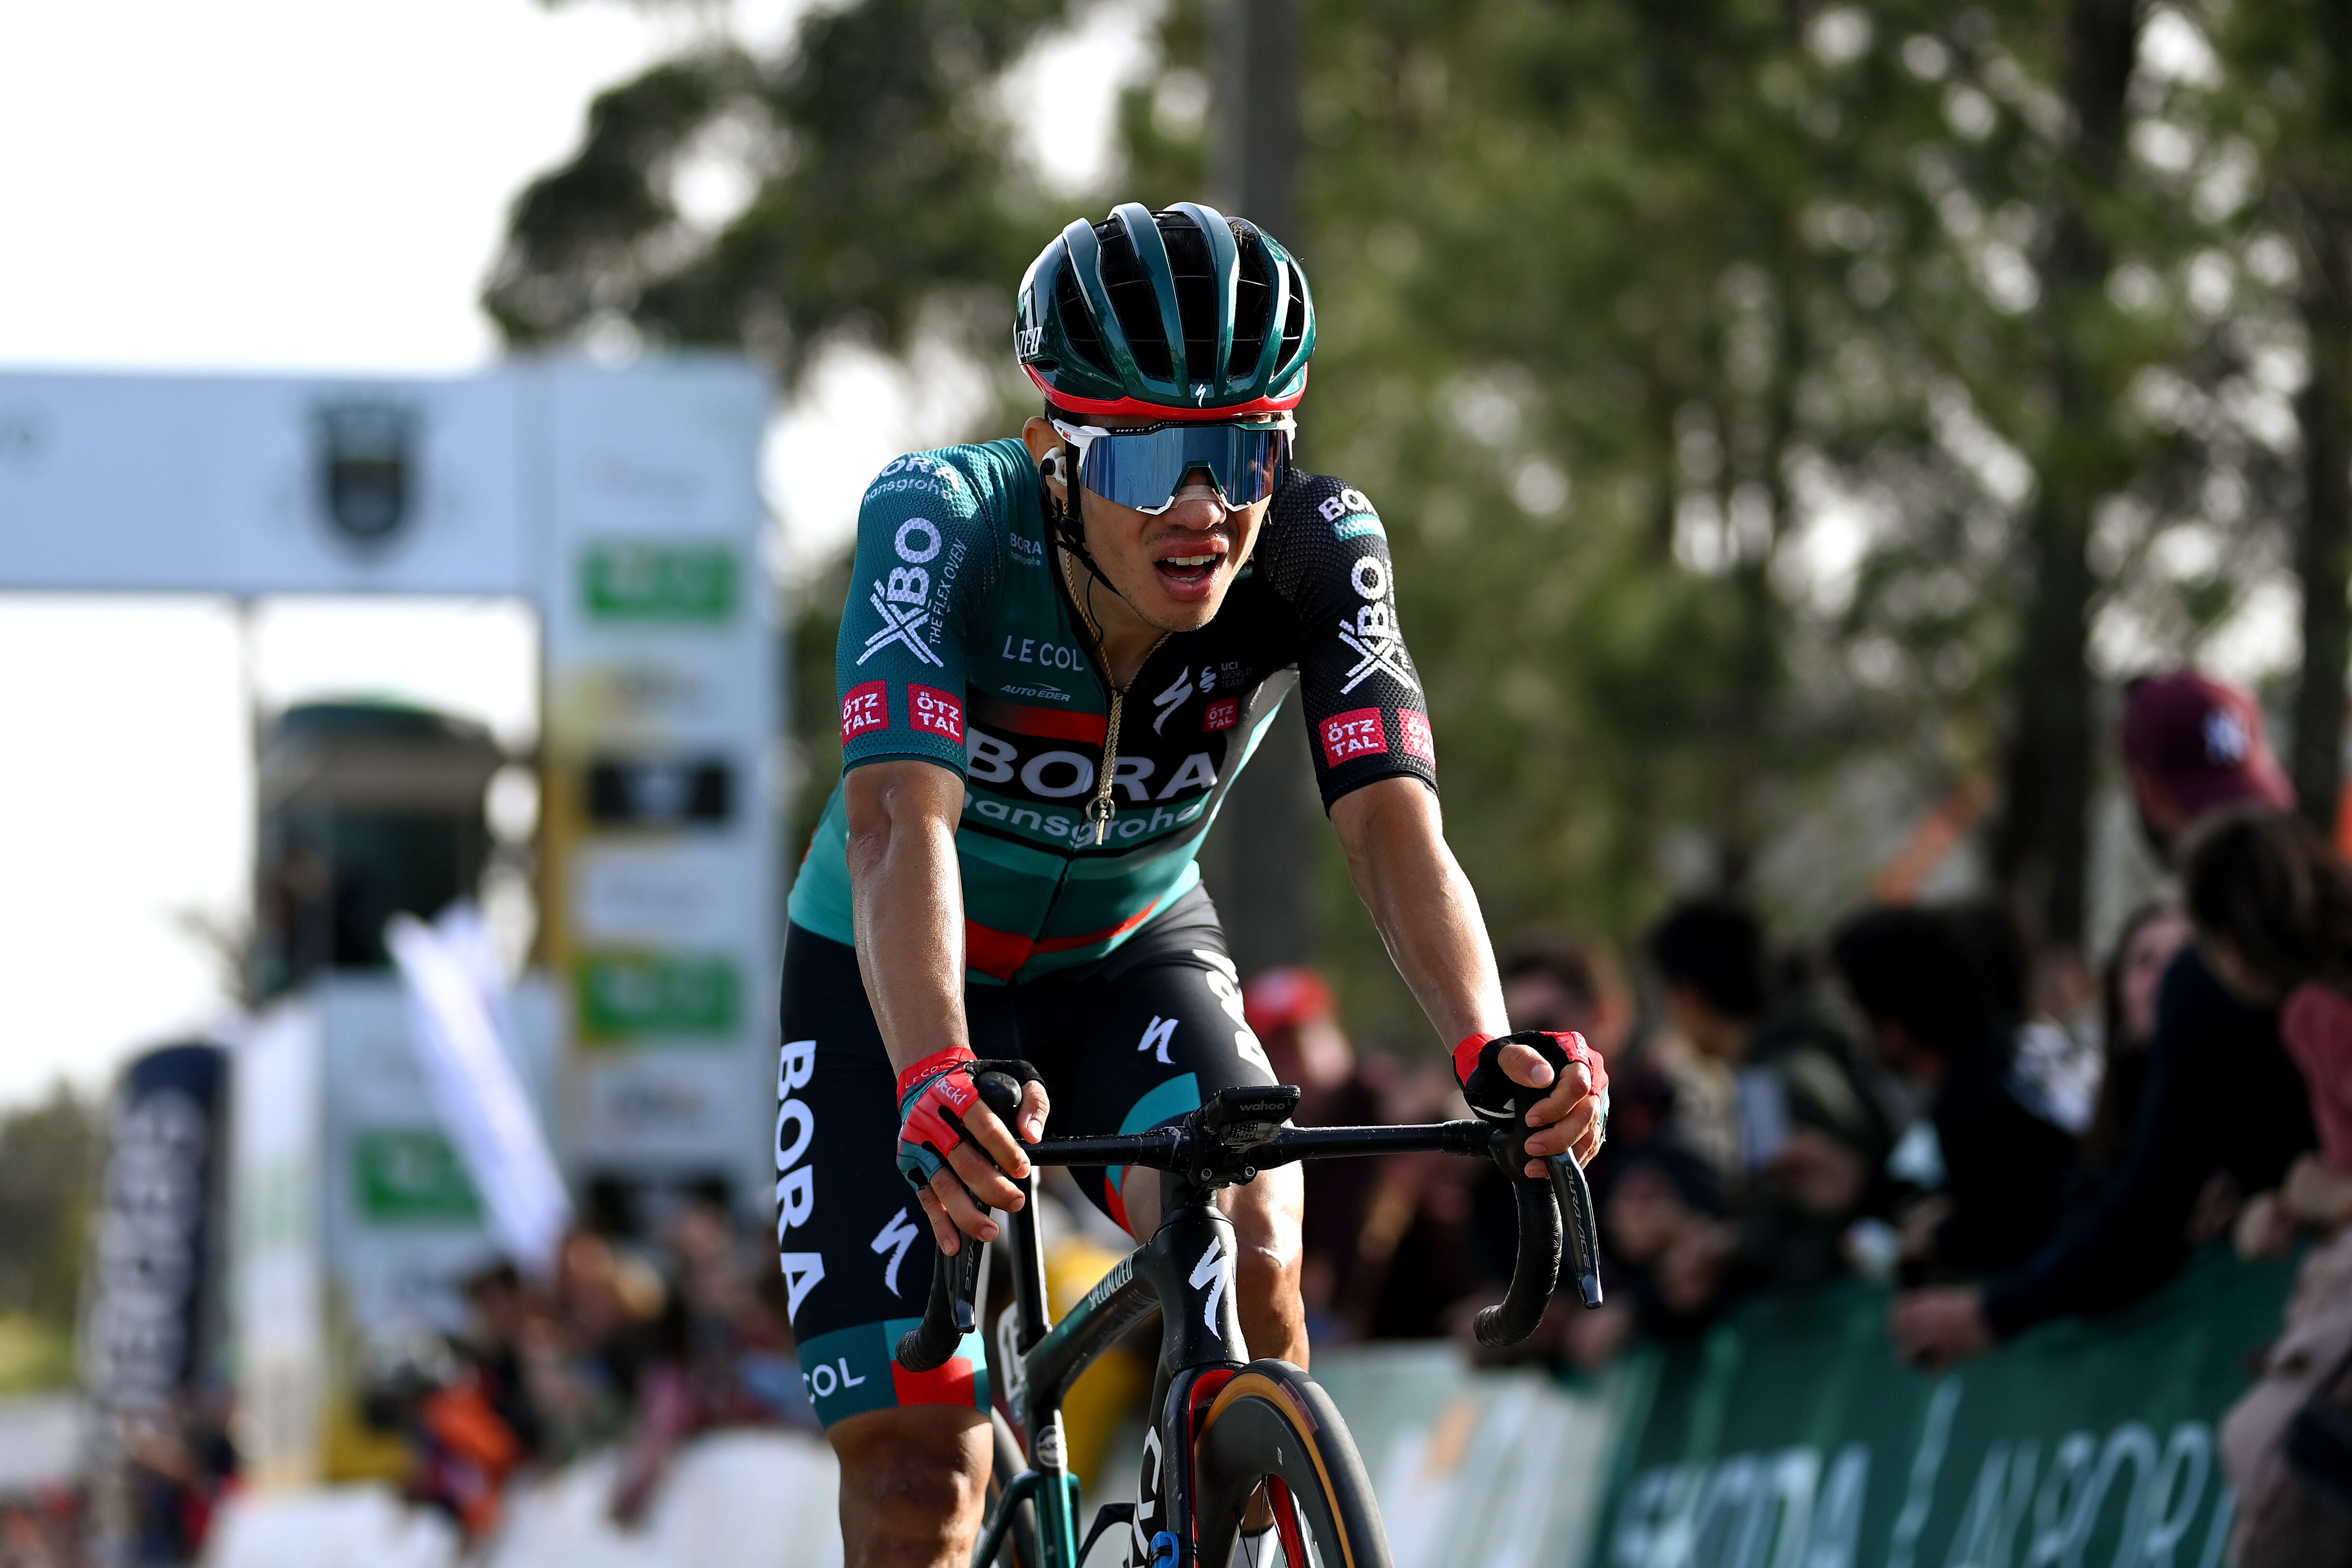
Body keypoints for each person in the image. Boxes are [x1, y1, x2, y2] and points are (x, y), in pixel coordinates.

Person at [776, 202, 1608, 1568]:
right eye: (1153, 455)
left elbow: (1394, 826)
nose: (1203, 507)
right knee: (923, 1470)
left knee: (1259, 1247)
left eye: (1242, 450)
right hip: (895, 983)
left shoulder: (1317, 545)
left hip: (1128, 950)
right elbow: (892, 826)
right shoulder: (943, 523)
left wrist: (1489, 1045)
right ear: (1059, 445)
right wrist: (934, 1068)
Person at [1893, 670, 2317, 1365]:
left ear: (2147, 792)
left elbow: (2149, 1207)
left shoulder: (2206, 976)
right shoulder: (2323, 918)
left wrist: (1993, 1312)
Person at [1830, 904, 2077, 1278]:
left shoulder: (1972, 1101)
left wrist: (1937, 1238)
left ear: (1893, 1027)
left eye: (1856, 1009)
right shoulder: (2014, 1054)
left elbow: (2007, 1232)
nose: (1854, 1032)